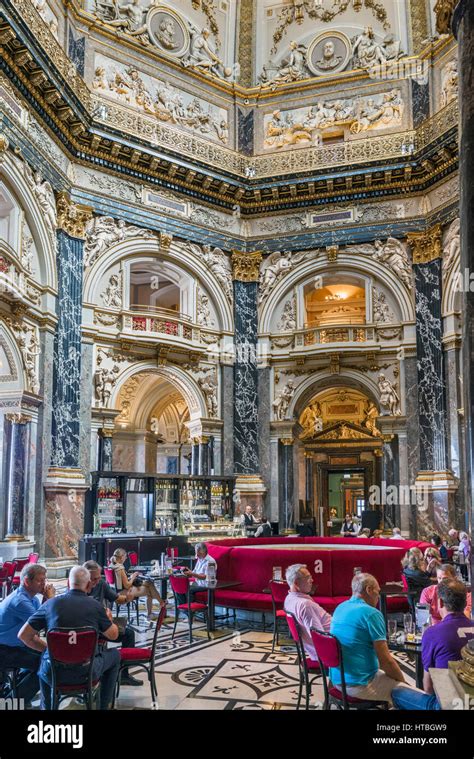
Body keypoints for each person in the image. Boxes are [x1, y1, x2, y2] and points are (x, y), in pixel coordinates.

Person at [18, 566, 121, 710]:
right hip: (87, 672)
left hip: (54, 672)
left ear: (68, 582)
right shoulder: (96, 606)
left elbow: (23, 635)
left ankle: (47, 707)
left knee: (44, 661)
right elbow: (113, 635)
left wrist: (49, 650)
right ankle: (105, 706)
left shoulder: (50, 604)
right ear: (87, 584)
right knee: (115, 655)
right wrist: (109, 621)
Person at [392, 580, 474, 710]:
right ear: (465, 603)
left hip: (448, 704)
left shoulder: (433, 633)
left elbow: (428, 687)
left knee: (397, 692)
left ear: (440, 602)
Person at [330, 573, 407, 705]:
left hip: (338, 680)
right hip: (361, 684)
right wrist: (403, 682)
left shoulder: (340, 607)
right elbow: (386, 662)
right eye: (378, 592)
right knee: (413, 695)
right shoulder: (371, 613)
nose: (378, 596)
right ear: (369, 590)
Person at [0, 563, 55, 705]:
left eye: (45, 579)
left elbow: (37, 629)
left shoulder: (33, 599)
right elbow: (44, 623)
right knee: (46, 665)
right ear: (26, 581)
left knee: (45, 658)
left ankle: (13, 695)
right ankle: (13, 702)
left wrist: (49, 650)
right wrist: (50, 599)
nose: (44, 584)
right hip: (4, 650)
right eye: (40, 580)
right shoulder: (20, 601)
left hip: (16, 645)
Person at [83, 560, 142, 686]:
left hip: (102, 625)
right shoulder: (78, 587)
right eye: (94, 579)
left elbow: (116, 598)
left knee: (129, 634)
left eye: (99, 578)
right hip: (87, 629)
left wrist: (127, 598)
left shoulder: (101, 584)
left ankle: (124, 674)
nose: (97, 581)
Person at [283, 564, 331, 661]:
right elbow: (320, 637)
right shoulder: (305, 605)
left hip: (326, 645)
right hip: (330, 652)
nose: (312, 580)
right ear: (296, 583)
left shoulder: (289, 599)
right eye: (308, 578)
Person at [108, 548, 165, 621]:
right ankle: (159, 605)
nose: (126, 558)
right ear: (121, 557)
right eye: (125, 557)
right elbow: (127, 585)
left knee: (149, 583)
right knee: (149, 590)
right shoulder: (120, 568)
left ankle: (157, 607)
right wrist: (133, 576)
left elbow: (120, 582)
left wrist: (130, 577)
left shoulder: (112, 565)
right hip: (124, 593)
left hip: (116, 591)